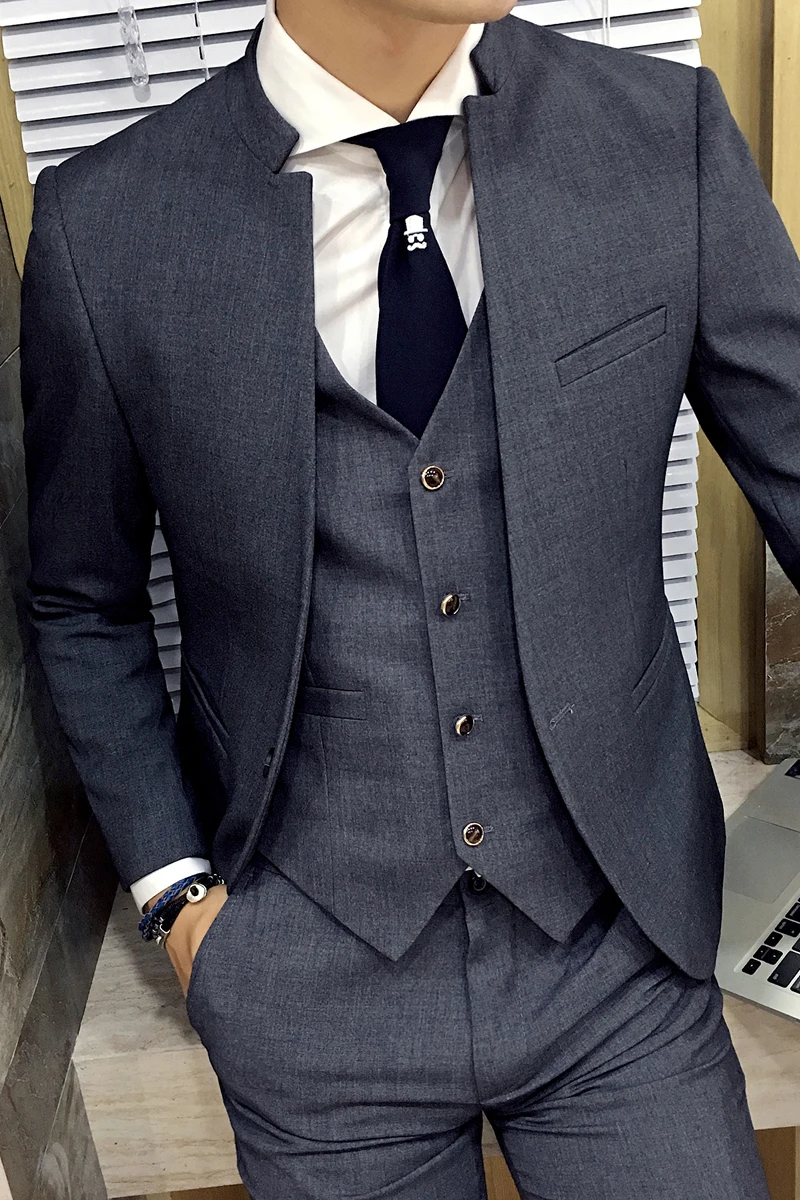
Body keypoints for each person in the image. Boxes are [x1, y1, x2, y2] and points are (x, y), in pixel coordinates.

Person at [19, 0, 800, 1195]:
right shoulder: (110, 224)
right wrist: (178, 899)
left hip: (620, 948)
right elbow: (83, 601)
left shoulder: (656, 133)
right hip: (303, 978)